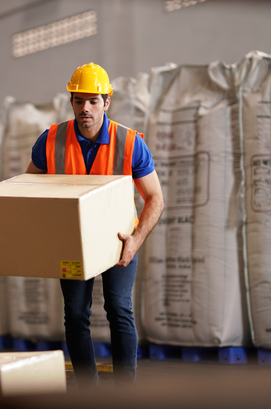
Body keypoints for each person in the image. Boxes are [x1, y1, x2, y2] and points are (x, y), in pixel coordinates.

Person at [26, 62, 164, 387]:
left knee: (118, 307)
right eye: (78, 100)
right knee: (75, 313)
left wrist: (136, 239)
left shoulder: (130, 143)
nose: (84, 108)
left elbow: (155, 198)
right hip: (72, 242)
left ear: (107, 101)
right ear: (71, 101)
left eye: (92, 100)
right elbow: (26, 191)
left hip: (119, 240)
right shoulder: (50, 140)